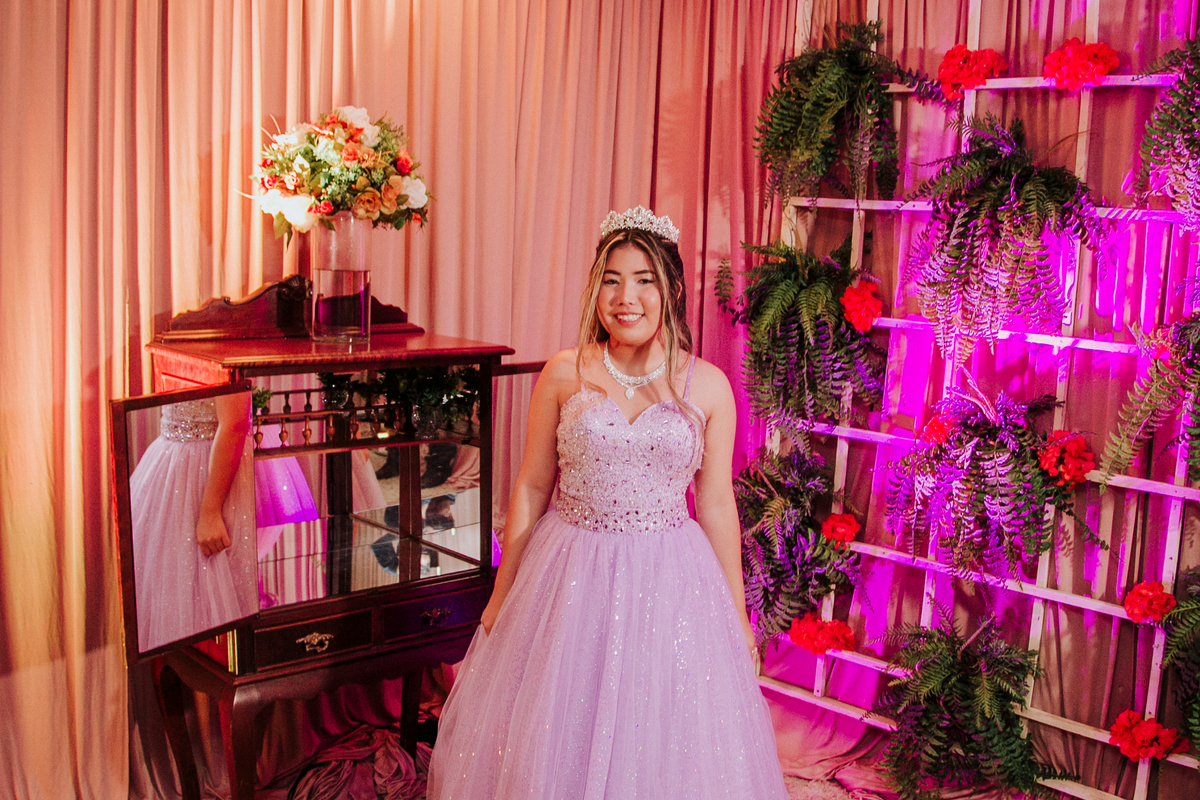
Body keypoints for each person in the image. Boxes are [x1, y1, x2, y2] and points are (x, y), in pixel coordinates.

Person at [426, 207, 789, 799]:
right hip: (570, 573)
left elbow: (718, 505)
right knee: (559, 723)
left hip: (671, 579)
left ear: (672, 290)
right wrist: (501, 593)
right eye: (611, 280)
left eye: (644, 280)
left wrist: (738, 617)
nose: (626, 298)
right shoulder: (564, 372)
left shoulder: (709, 385)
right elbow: (532, 487)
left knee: (659, 726)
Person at [130, 392, 258, 652]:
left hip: (209, 473)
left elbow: (234, 424)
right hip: (172, 463)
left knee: (214, 599)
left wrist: (210, 510)